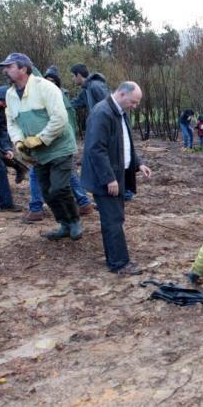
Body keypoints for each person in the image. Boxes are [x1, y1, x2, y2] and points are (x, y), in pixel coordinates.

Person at [0, 52, 81, 240]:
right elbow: (12, 122)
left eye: (9, 67)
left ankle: (75, 221)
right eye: (5, 67)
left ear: (23, 69)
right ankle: (64, 224)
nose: (5, 71)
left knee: (59, 188)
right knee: (46, 192)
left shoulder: (45, 87)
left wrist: (40, 139)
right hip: (37, 153)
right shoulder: (10, 94)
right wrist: (19, 142)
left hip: (60, 147)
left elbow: (60, 118)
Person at [81, 82, 151, 275]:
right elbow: (96, 149)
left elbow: (124, 145)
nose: (134, 106)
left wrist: (138, 164)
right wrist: (109, 178)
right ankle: (119, 263)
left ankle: (116, 257)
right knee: (112, 220)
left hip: (116, 175)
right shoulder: (102, 113)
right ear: (121, 94)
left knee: (115, 217)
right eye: (133, 102)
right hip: (105, 179)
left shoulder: (120, 112)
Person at [23, 66, 95, 223]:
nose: (48, 83)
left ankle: (36, 209)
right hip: (60, 142)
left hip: (56, 143)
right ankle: (83, 202)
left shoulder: (53, 96)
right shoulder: (59, 95)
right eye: (47, 80)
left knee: (36, 174)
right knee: (67, 174)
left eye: (52, 80)